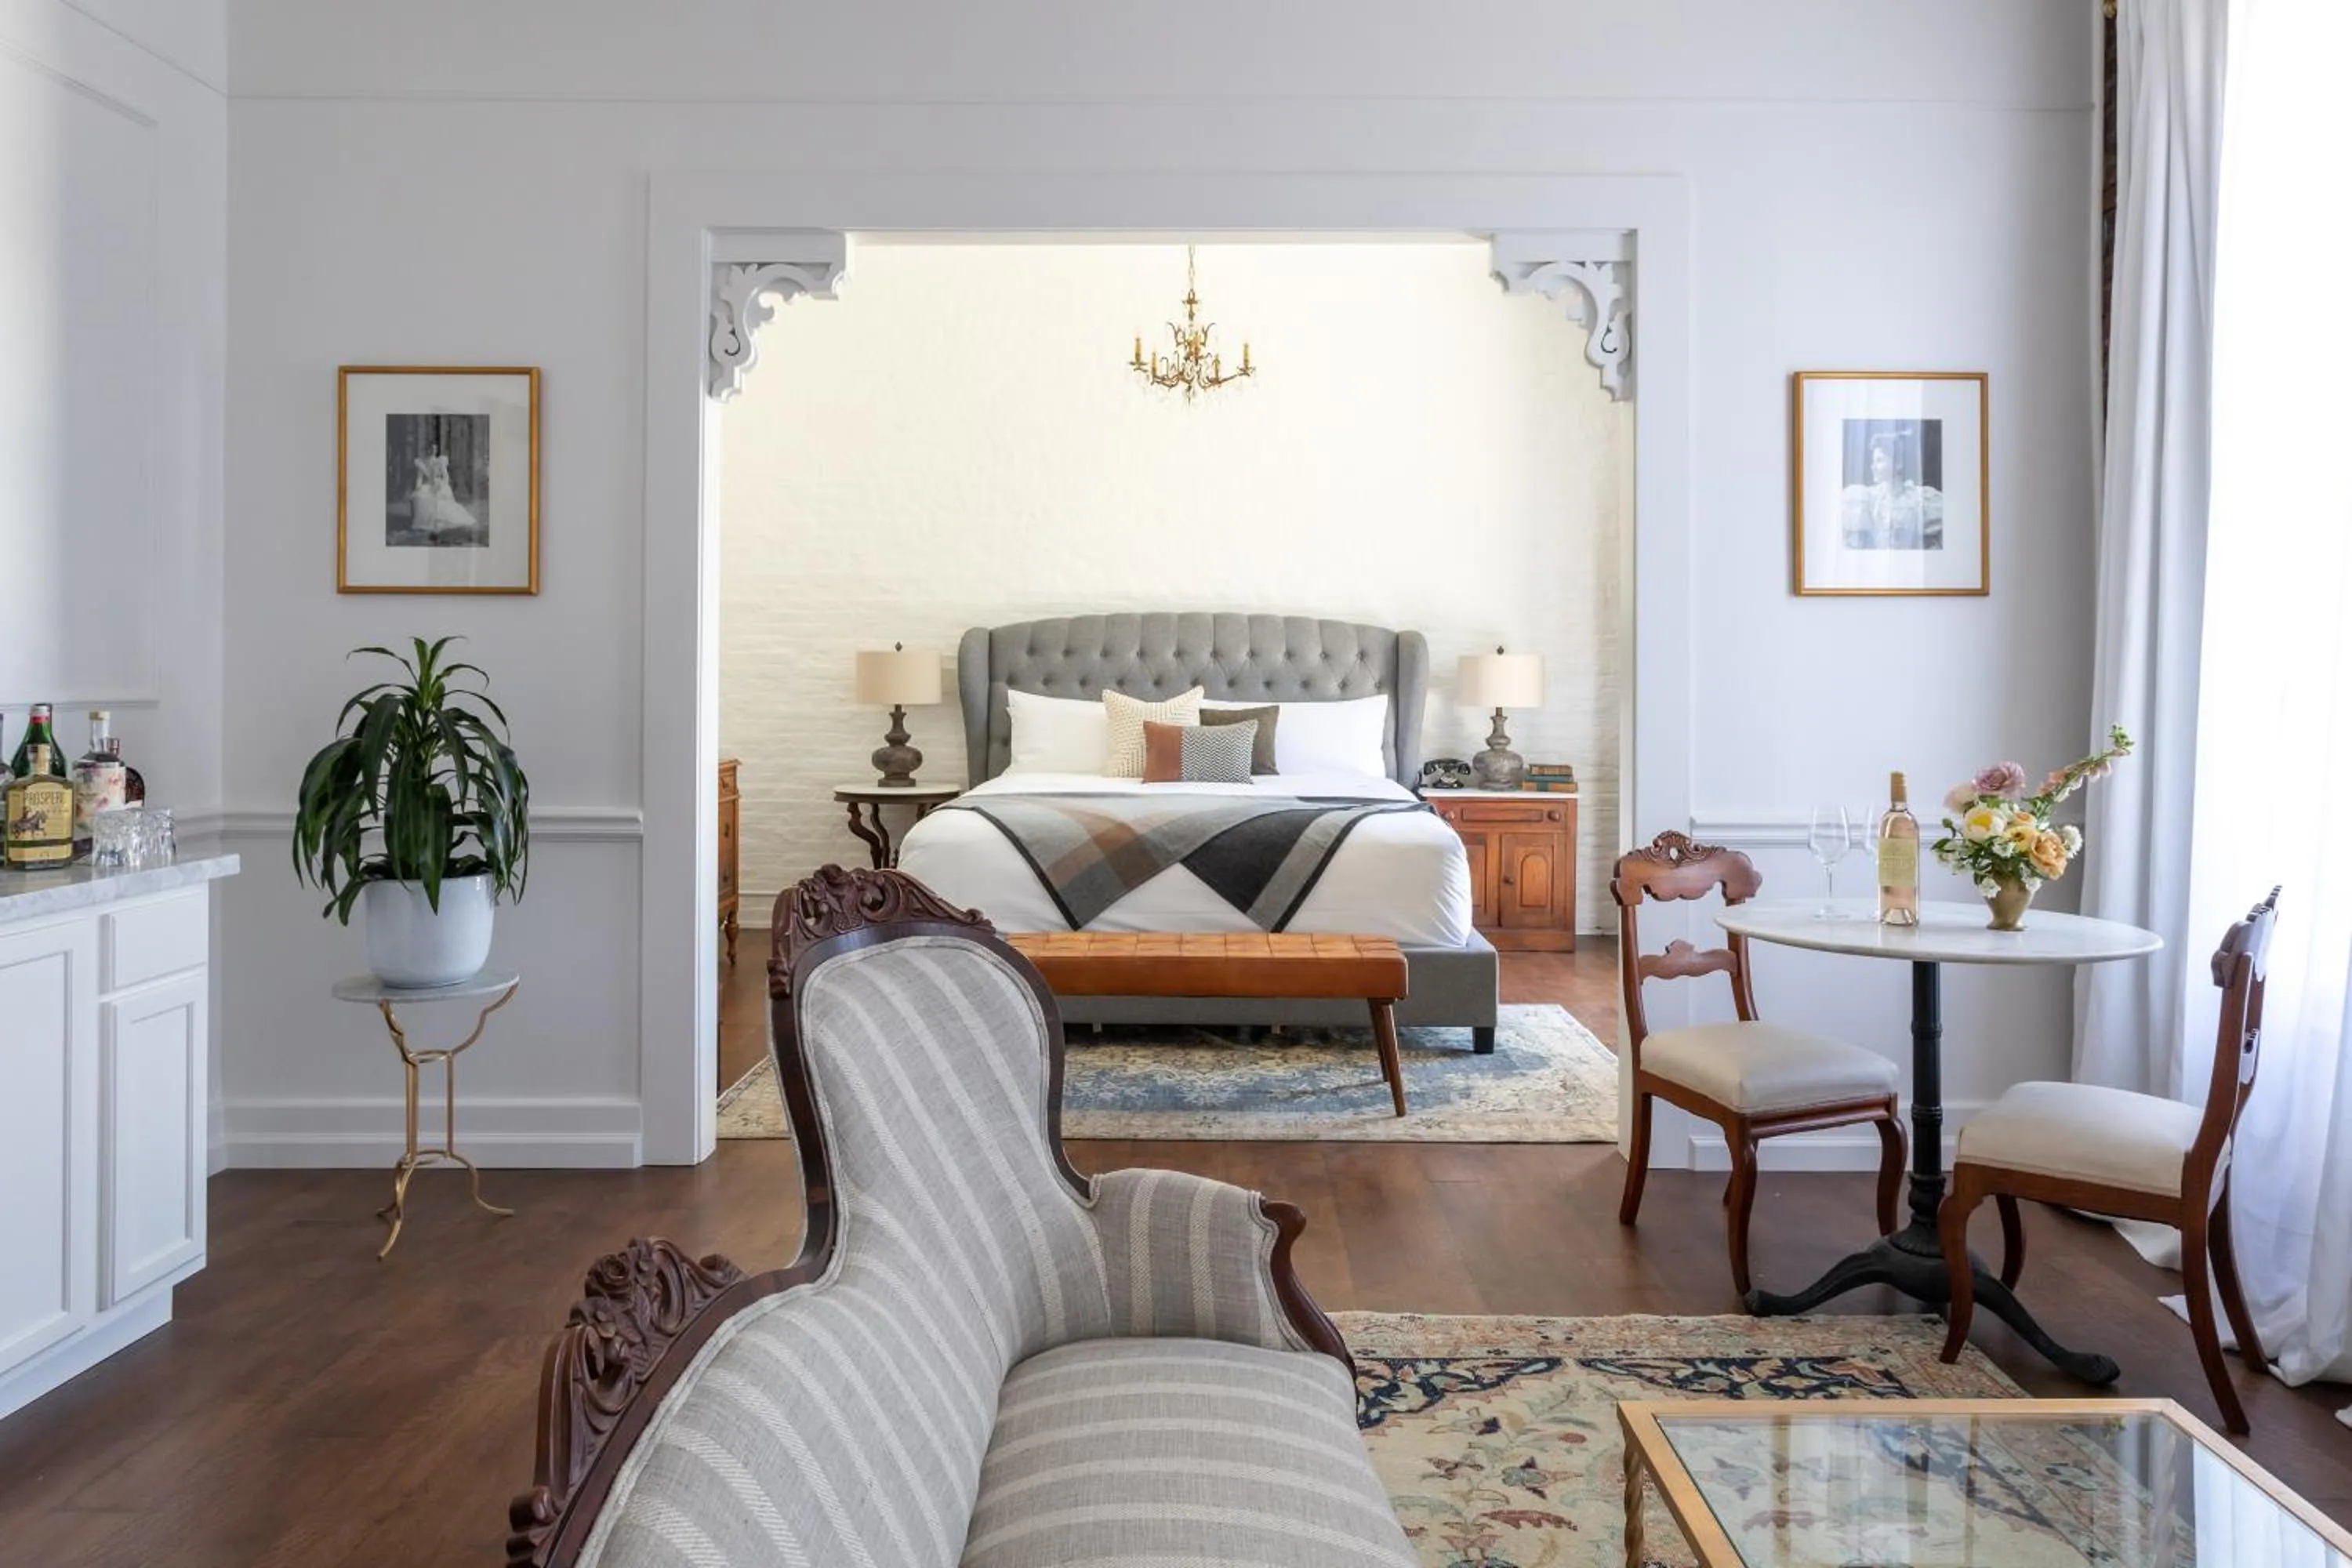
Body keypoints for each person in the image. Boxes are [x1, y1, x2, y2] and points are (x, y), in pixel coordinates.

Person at [1839, 430, 1944, 550]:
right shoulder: (1869, 499)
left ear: (1898, 463)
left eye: (1879, 460)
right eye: (1873, 461)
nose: (1873, 467)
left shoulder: (1918, 499)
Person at [405, 444, 479, 539]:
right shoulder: (422, 462)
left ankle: (440, 520)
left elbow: (446, 476)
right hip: (428, 485)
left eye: (434, 449)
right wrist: (418, 487)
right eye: (430, 449)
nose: (432, 451)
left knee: (439, 497)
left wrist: (441, 485)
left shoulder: (440, 461)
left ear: (436, 451)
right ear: (427, 450)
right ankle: (426, 521)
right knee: (420, 495)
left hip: (439, 484)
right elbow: (419, 478)